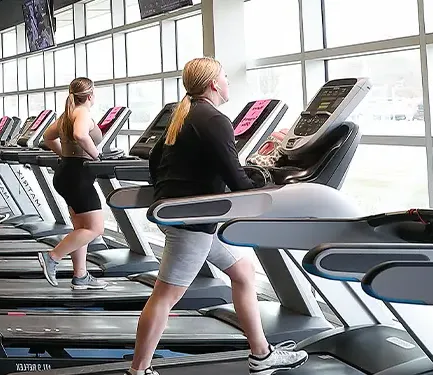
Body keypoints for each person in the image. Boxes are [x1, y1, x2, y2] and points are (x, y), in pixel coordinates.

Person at [128, 58, 306, 375]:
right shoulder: (214, 119)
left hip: (190, 218)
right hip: (193, 222)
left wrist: (170, 191)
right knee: (164, 298)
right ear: (213, 84)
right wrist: (267, 186)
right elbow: (236, 179)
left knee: (243, 272)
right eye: (225, 76)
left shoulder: (181, 115)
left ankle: (261, 354)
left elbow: (155, 160)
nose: (228, 81)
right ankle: (138, 370)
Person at [35, 77, 111, 290]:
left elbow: (47, 137)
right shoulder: (83, 112)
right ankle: (52, 256)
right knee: (96, 229)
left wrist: (65, 155)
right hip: (78, 176)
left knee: (81, 227)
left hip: (66, 172)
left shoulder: (67, 114)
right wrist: (96, 156)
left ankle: (80, 275)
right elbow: (80, 135)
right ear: (90, 95)